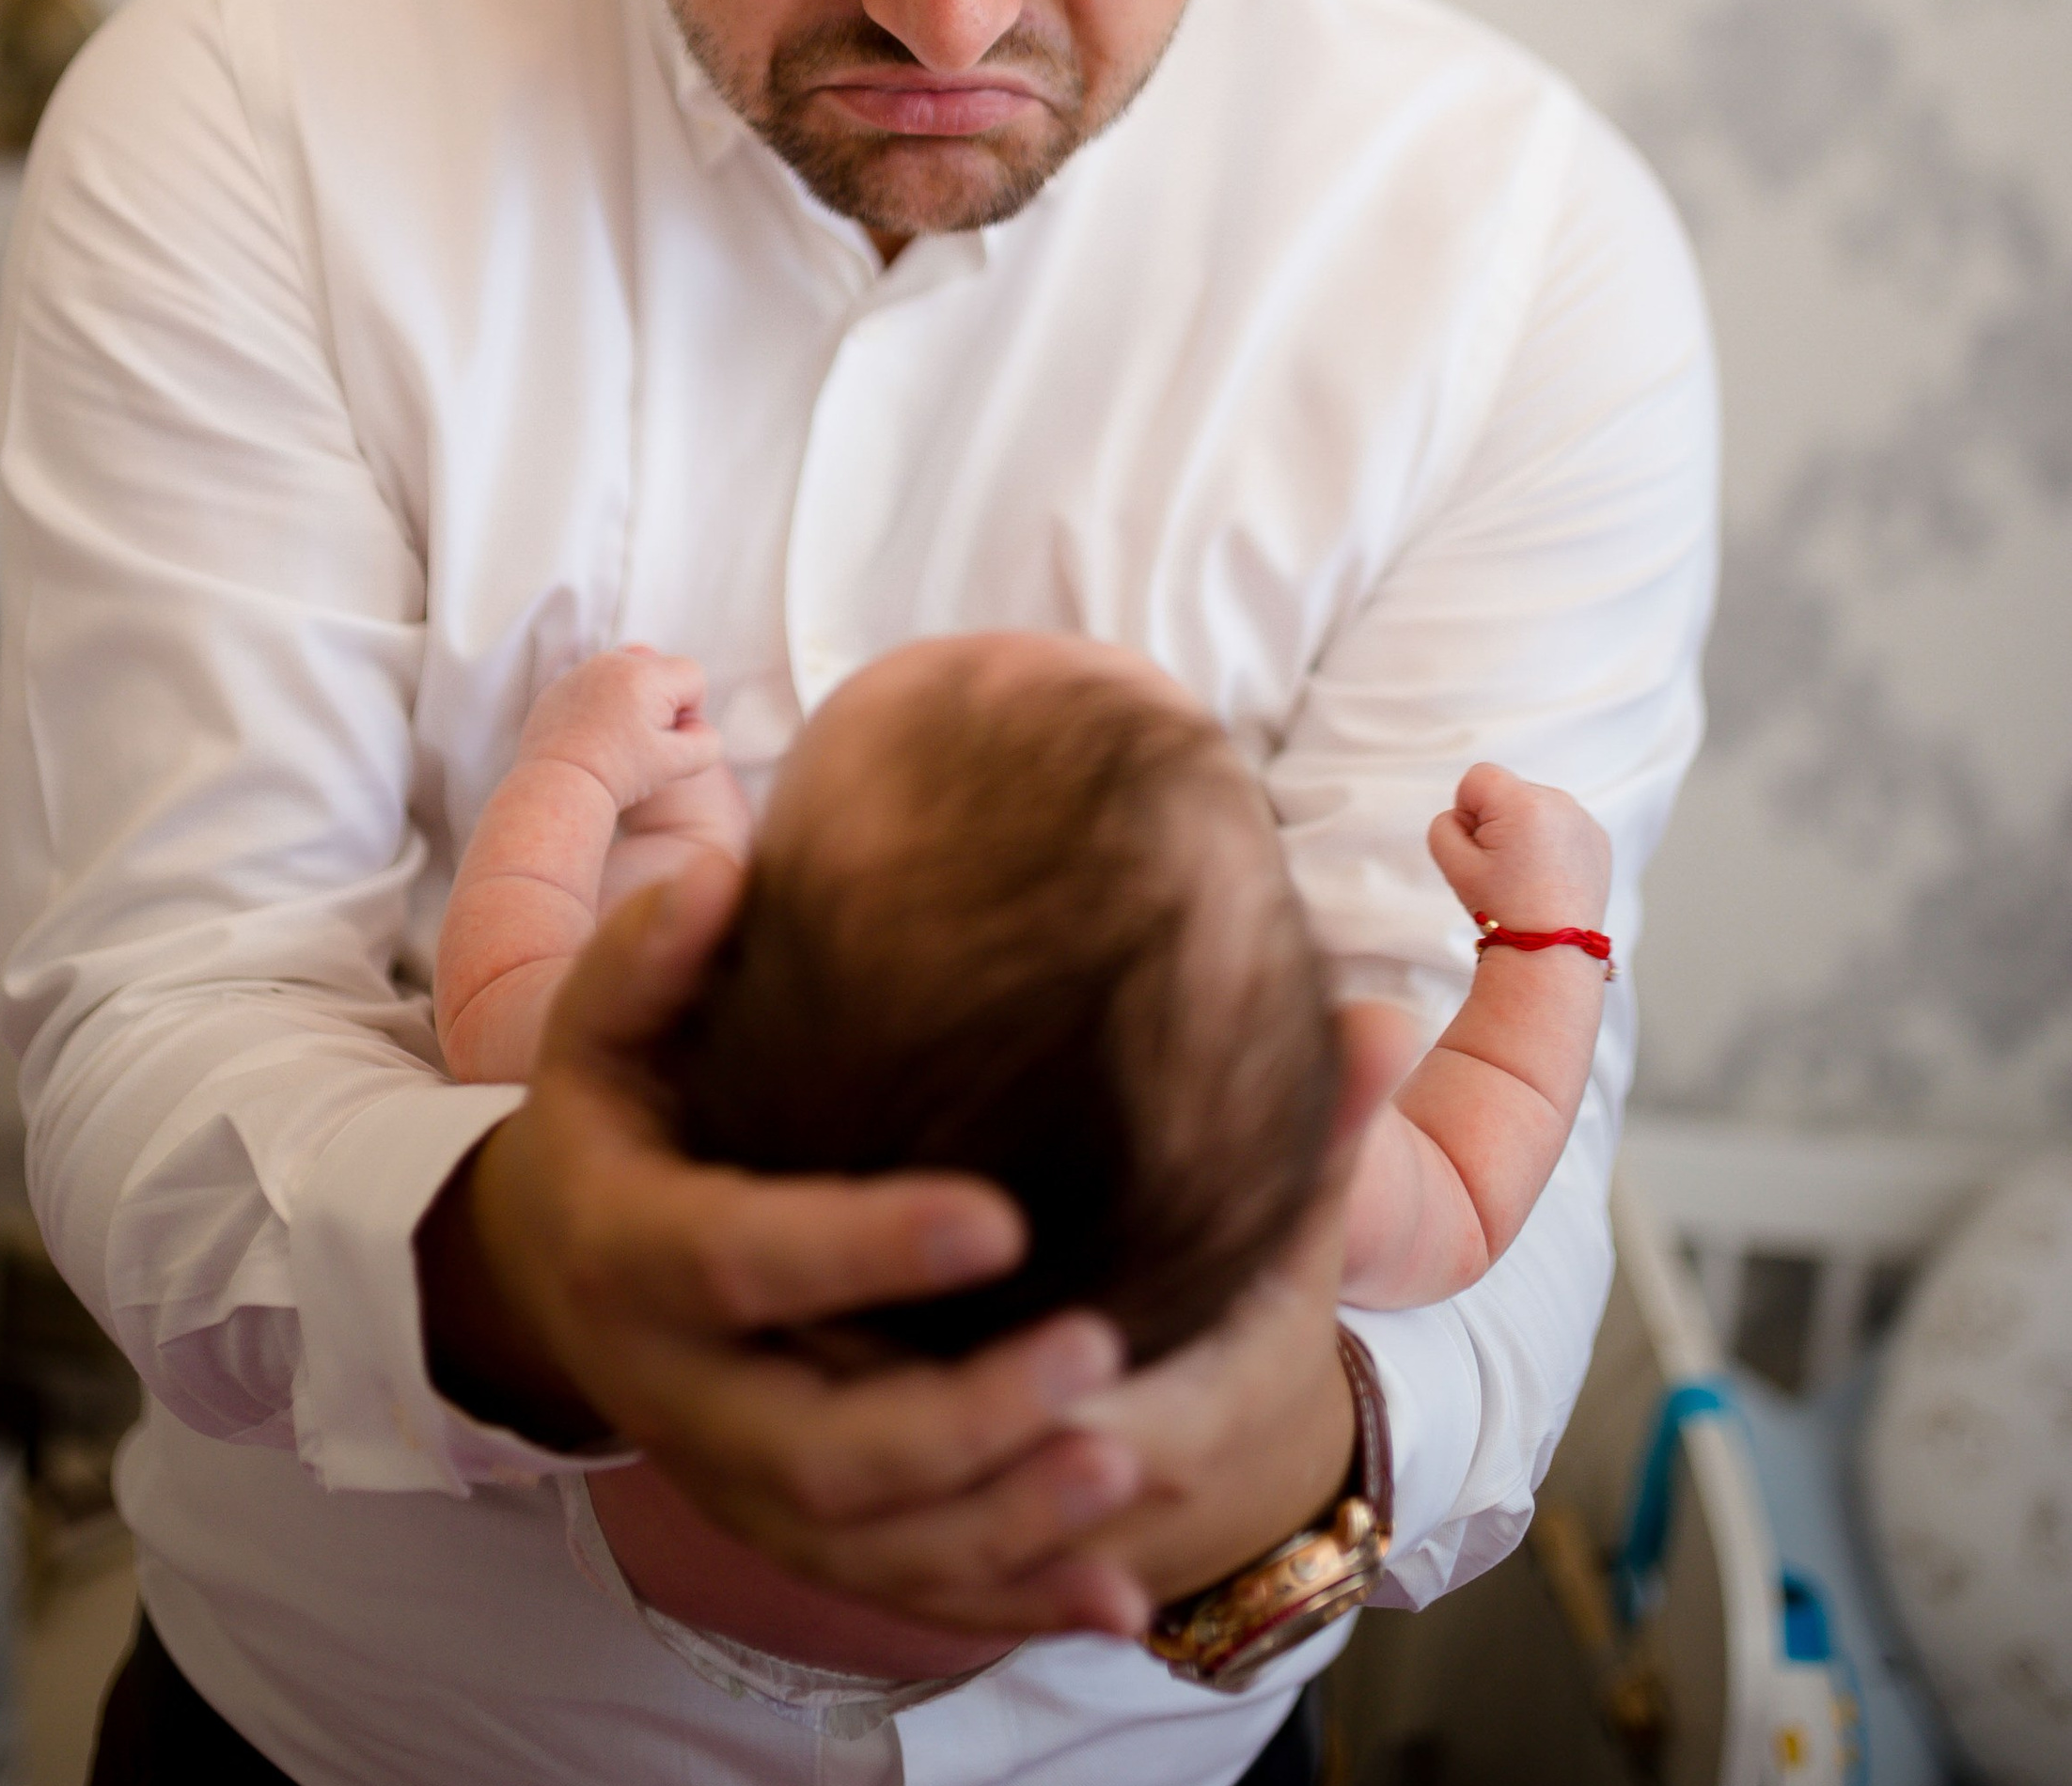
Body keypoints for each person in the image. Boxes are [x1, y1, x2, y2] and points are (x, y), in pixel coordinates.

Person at [4, 0, 1717, 1786]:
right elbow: (163, 1013)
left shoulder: (1520, 254)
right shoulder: (250, 112)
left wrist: (1248, 1464)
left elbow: (1479, 1151)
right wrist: (534, 1269)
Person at [433, 633, 1613, 1686]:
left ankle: (693, 843)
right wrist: (1547, 942)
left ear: (743, 948)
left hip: (645, 1606)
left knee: (646, 910)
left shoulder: (696, 1081)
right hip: (1068, 1630)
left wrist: (572, 770)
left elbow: (497, 992)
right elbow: (1472, 1182)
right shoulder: (1262, 1132)